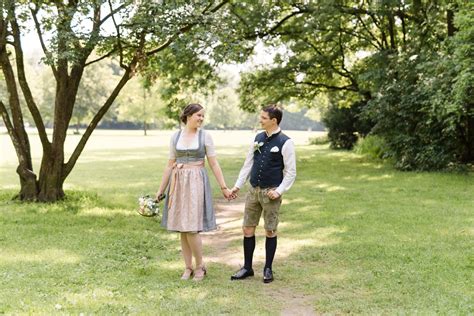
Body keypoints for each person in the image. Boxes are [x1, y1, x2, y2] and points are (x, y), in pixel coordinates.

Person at [156, 103, 234, 281]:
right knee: (182, 229)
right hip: (178, 182)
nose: (201, 119)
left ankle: (200, 266)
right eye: (198, 115)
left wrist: (223, 186)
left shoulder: (205, 136)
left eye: (202, 116)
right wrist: (161, 190)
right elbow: (169, 165)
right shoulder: (175, 137)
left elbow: (213, 163)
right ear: (188, 116)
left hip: (196, 182)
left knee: (191, 228)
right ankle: (187, 267)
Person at [230, 104, 296, 283]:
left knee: (270, 230)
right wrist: (237, 185)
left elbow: (291, 172)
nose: (260, 120)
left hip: (271, 192)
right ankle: (247, 268)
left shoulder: (285, 142)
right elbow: (248, 164)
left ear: (274, 121)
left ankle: (268, 269)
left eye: (264, 118)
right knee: (247, 228)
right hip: (253, 190)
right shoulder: (258, 138)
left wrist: (279, 190)